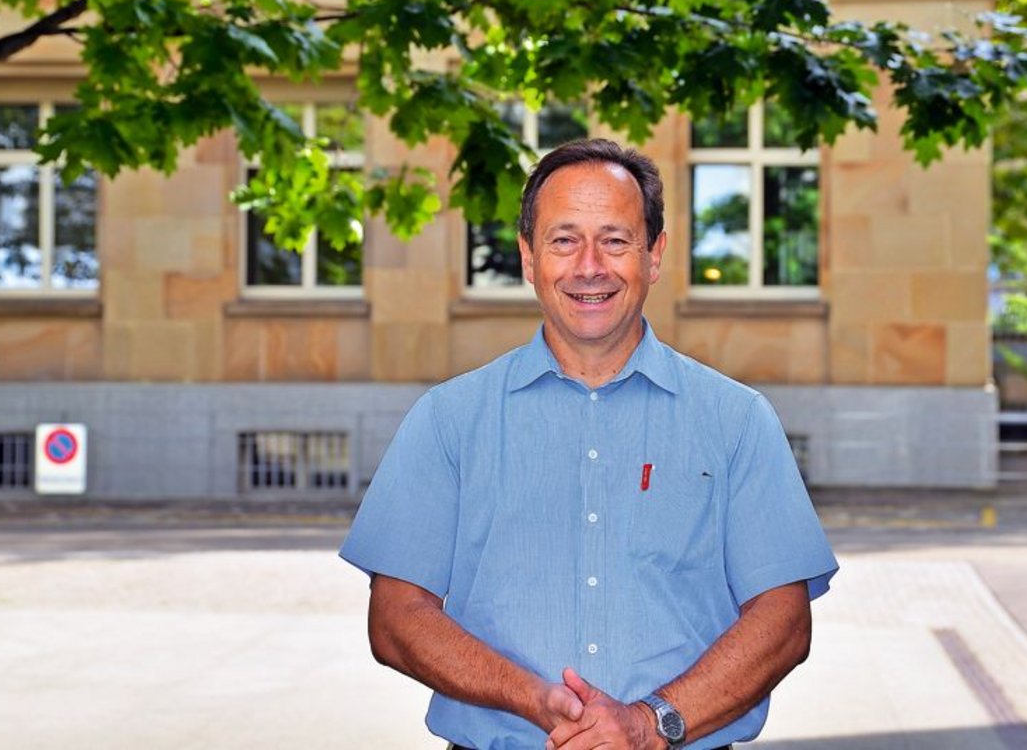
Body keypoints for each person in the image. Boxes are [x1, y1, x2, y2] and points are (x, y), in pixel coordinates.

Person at [340, 138, 837, 750]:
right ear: (529, 257)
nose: (589, 266)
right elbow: (395, 619)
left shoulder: (737, 420)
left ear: (654, 254)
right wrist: (535, 700)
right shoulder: (447, 419)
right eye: (564, 239)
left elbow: (784, 622)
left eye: (616, 239)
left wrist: (650, 722)